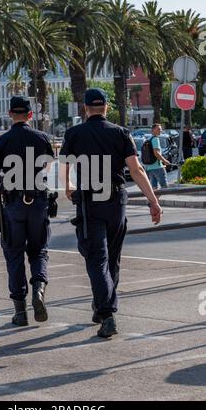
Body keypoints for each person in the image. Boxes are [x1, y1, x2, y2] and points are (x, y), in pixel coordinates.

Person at [59, 88, 162, 338]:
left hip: (90, 201)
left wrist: (67, 186)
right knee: (112, 258)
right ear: (106, 107)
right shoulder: (120, 133)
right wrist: (153, 200)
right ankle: (102, 306)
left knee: (96, 258)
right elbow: (136, 170)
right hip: (116, 200)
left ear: (84, 108)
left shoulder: (73, 134)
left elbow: (63, 165)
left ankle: (106, 313)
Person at [0, 96, 54, 326]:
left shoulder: (4, 141)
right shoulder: (42, 138)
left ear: (10, 114)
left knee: (13, 254)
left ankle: (20, 312)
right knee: (39, 251)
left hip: (12, 203)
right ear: (30, 115)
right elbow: (48, 165)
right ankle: (38, 289)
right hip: (38, 201)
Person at [145, 124, 170, 190]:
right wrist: (165, 161)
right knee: (165, 187)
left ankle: (152, 200)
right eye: (158, 129)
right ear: (153, 130)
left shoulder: (148, 139)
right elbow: (156, 153)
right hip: (158, 167)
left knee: (154, 187)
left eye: (161, 129)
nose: (160, 131)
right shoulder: (155, 139)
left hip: (149, 167)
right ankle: (154, 200)